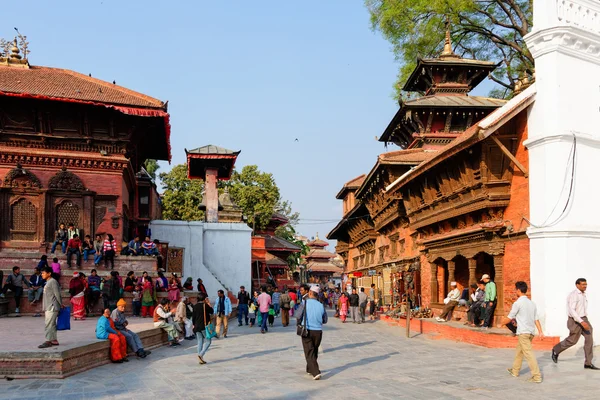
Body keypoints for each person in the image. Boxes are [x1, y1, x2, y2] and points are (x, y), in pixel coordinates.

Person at [552, 278, 599, 370]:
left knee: (589, 339)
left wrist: (584, 320)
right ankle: (556, 350)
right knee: (573, 340)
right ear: (577, 285)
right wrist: (581, 321)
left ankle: (588, 363)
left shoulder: (583, 294)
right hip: (575, 320)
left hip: (584, 318)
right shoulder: (574, 295)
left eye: (586, 284)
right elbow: (572, 310)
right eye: (582, 284)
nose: (585, 286)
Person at [502, 281, 544, 383]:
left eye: (516, 289)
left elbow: (510, 317)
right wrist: (540, 331)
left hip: (523, 332)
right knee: (519, 351)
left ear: (519, 290)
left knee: (528, 354)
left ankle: (537, 376)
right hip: (530, 332)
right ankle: (515, 370)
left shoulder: (518, 303)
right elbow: (536, 319)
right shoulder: (532, 303)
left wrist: (502, 322)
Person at [299, 285, 328, 380]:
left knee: (309, 351)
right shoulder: (321, 305)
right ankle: (309, 369)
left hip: (307, 330)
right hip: (318, 331)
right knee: (314, 350)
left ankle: (316, 372)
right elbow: (325, 320)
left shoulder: (304, 303)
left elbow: (297, 315)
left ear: (310, 293)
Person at [38, 266, 62, 348]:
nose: (42, 274)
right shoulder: (48, 282)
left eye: (43, 273)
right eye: (42, 273)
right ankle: (54, 340)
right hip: (49, 305)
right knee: (52, 324)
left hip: (52, 306)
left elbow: (57, 294)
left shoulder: (52, 282)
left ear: (49, 273)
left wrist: (60, 304)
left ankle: (48, 340)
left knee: (48, 324)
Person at [192, 292, 213, 364]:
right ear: (204, 299)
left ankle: (200, 357)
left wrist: (193, 324)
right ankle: (201, 354)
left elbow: (193, 317)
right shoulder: (205, 305)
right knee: (208, 341)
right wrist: (209, 303)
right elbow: (212, 311)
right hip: (204, 326)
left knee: (200, 341)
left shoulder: (195, 306)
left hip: (197, 326)